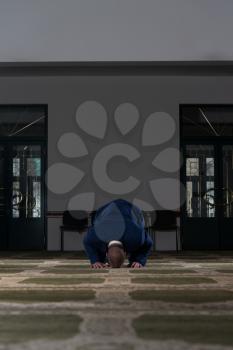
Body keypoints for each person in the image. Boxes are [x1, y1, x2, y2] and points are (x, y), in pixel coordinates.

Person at [83, 199, 153, 268]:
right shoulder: (97, 235)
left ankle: (133, 259)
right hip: (108, 211)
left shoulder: (136, 237)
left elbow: (149, 243)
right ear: (125, 253)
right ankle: (102, 259)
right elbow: (87, 242)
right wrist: (139, 261)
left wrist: (95, 260)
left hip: (131, 210)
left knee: (138, 229)